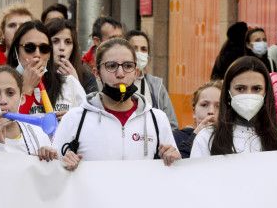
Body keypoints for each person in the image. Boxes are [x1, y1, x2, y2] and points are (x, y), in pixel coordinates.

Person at [58, 38, 181, 171]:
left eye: (128, 66)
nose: (120, 74)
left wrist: (174, 159)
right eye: (111, 66)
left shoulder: (158, 119)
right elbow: (53, 170)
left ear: (136, 72)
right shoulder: (74, 119)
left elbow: (172, 172)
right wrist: (63, 164)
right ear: (97, 73)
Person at [191, 56, 277, 159]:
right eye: (240, 89)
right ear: (228, 93)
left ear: (266, 93)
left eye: (256, 89)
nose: (249, 94)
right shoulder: (206, 137)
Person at [7, 20, 86, 115]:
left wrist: (71, 120)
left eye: (44, 49)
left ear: (49, 54)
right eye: (29, 48)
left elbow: (87, 123)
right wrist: (27, 89)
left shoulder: (69, 83)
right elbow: (9, 126)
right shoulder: (4, 86)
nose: (37, 54)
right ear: (16, 52)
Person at [125, 30, 178, 128]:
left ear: (148, 55)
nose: (139, 53)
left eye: (144, 49)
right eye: (134, 48)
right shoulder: (116, 82)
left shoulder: (156, 86)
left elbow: (172, 125)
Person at [45, 18, 98, 94]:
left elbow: (90, 105)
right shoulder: (37, 75)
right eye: (55, 41)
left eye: (68, 42)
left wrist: (75, 84)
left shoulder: (86, 76)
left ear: (74, 47)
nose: (62, 47)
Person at [172, 80, 220, 158]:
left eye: (218, 106)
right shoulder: (176, 137)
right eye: (204, 105)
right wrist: (195, 135)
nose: (211, 111)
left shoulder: (233, 139)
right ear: (194, 112)